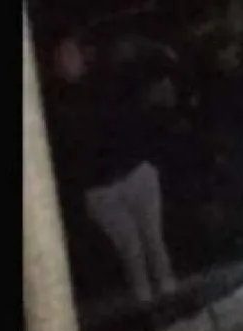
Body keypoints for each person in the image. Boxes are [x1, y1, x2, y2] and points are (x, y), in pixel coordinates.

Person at [44, 33, 178, 306]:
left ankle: (172, 302)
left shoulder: (107, 79)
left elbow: (144, 90)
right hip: (102, 191)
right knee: (132, 252)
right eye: (63, 57)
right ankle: (150, 311)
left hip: (136, 173)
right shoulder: (54, 105)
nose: (70, 61)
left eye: (73, 53)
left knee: (154, 242)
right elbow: (66, 154)